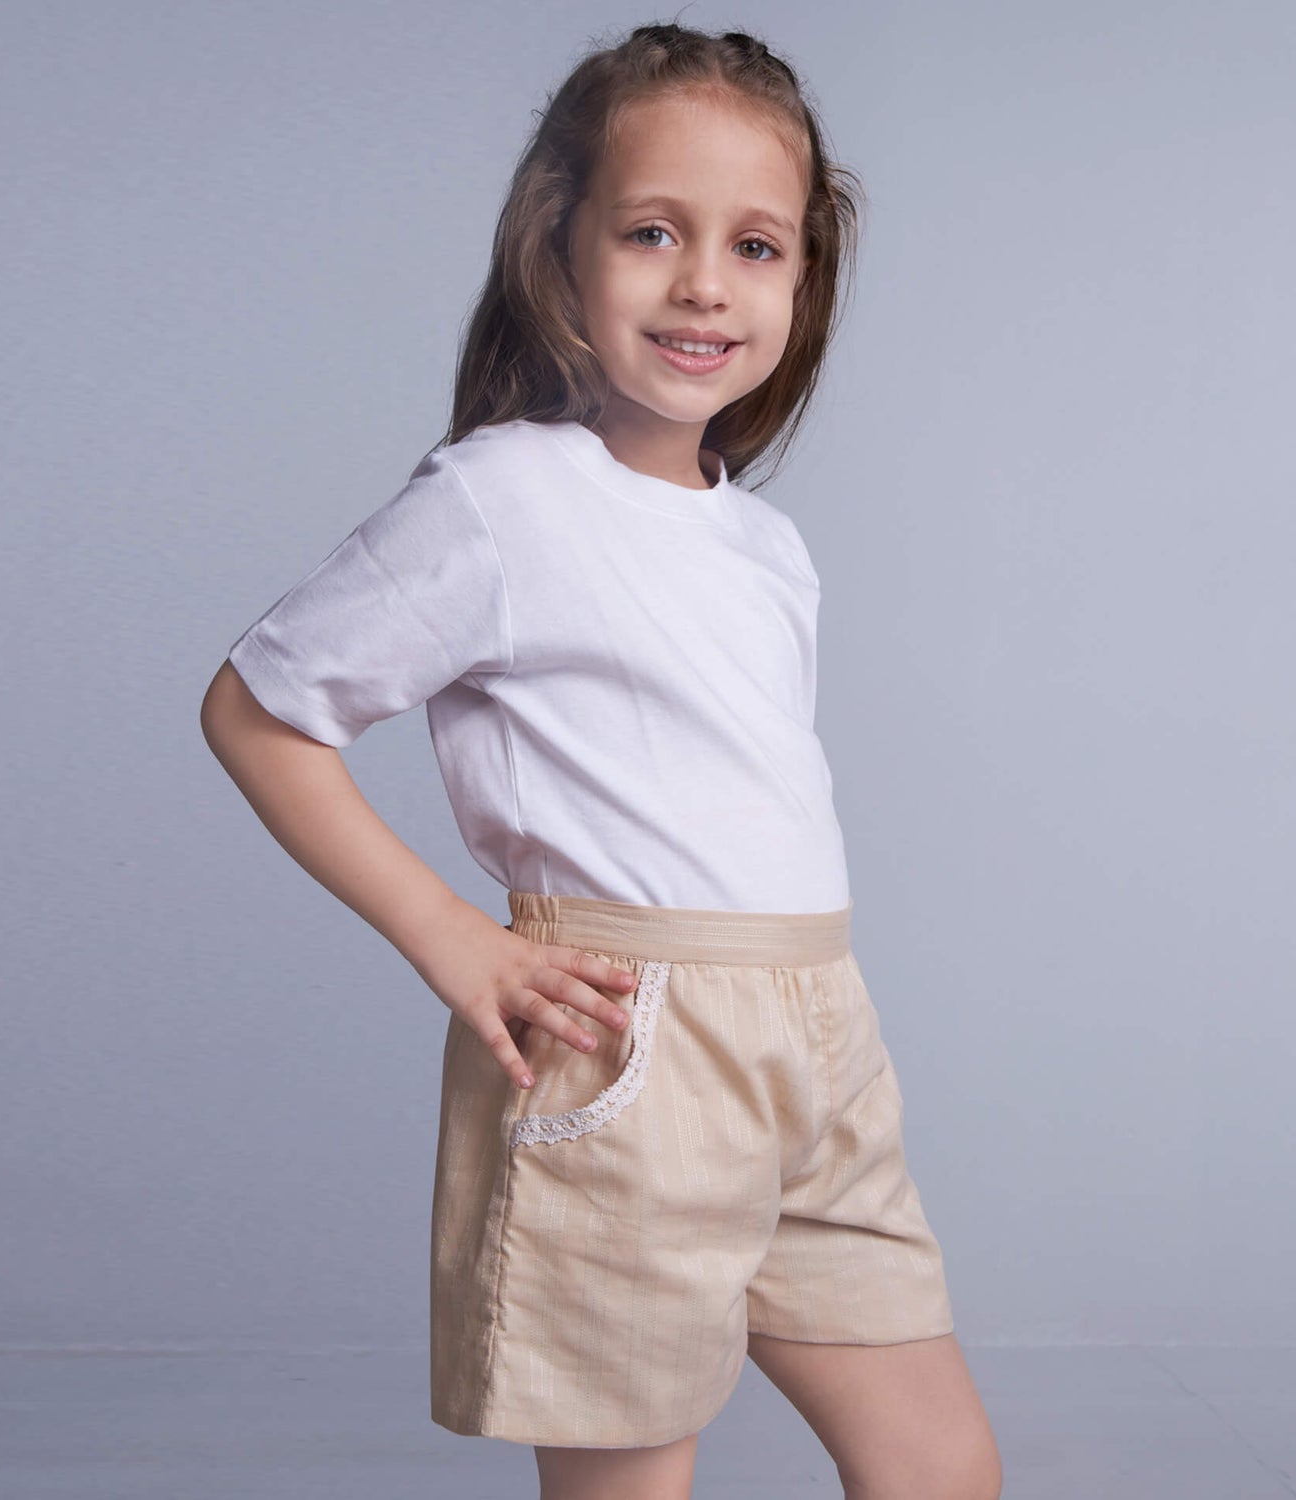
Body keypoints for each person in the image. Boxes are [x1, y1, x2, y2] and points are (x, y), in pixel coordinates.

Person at [201, 22, 1002, 1500]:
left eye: (758, 245)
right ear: (557, 253)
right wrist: (449, 936)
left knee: (942, 1464)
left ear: (803, 280)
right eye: (652, 231)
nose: (706, 280)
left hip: (822, 1042)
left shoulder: (765, 545)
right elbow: (259, 711)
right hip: (634, 1046)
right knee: (633, 1484)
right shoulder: (505, 499)